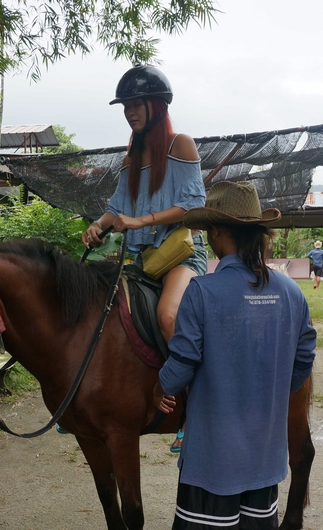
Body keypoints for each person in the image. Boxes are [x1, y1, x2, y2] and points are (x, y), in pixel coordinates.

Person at [152, 182, 316, 530]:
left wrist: (162, 386)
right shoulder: (289, 290)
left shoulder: (203, 290)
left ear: (223, 233)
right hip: (265, 448)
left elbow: (182, 362)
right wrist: (269, 383)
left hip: (215, 453)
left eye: (209, 231)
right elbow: (303, 356)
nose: (207, 238)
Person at [82, 64, 207, 454]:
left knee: (168, 316)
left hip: (180, 255)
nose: (130, 111)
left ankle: (193, 410)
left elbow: (193, 206)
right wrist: (97, 225)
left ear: (156, 105)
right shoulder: (130, 159)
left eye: (136, 104)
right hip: (140, 261)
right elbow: (115, 208)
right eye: (125, 106)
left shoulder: (180, 145)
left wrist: (142, 220)